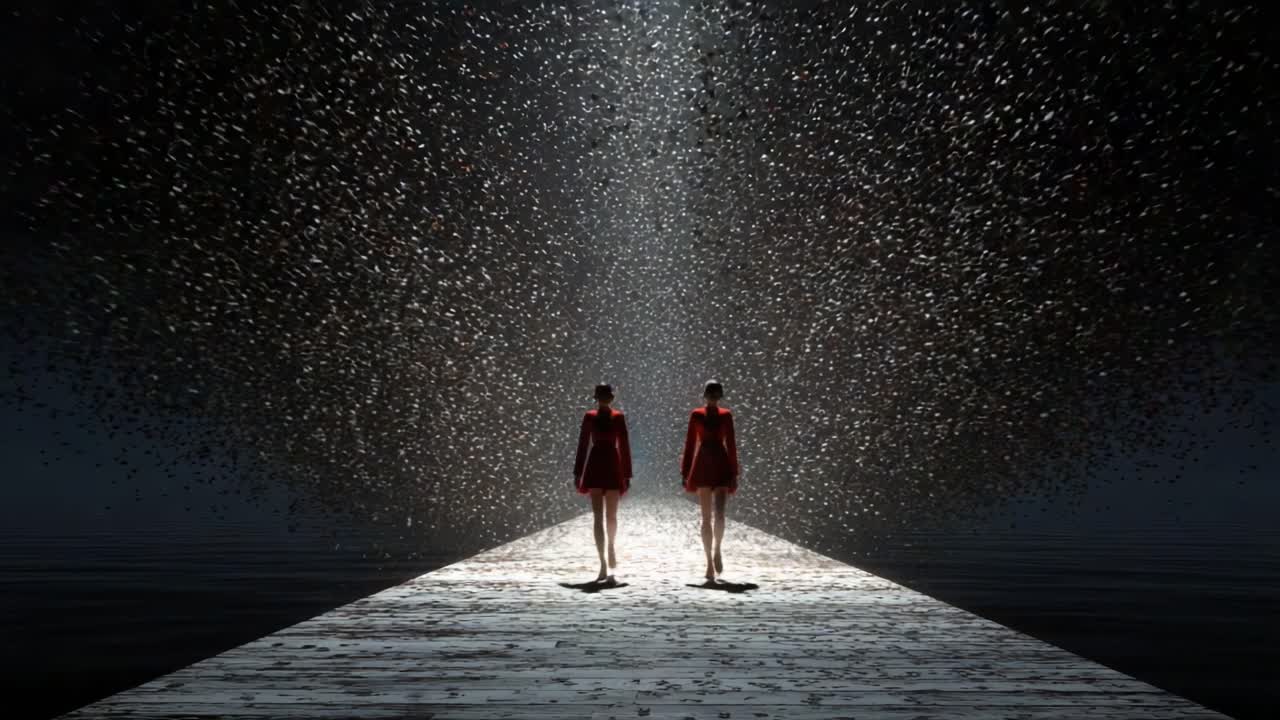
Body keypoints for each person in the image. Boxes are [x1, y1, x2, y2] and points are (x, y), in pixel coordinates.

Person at [680, 380, 740, 580]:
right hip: (704, 463)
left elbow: (731, 444)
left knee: (720, 514)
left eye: (716, 393)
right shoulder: (696, 415)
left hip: (720, 463)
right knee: (706, 517)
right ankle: (708, 561)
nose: (713, 397)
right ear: (706, 395)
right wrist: (685, 471)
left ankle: (717, 549)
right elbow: (690, 444)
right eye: (711, 393)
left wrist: (734, 472)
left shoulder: (726, 415)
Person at [573, 383, 632, 581]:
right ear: (598, 398)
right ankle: (602, 562)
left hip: (611, 464)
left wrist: (627, 473)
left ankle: (610, 546)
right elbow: (583, 443)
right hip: (597, 463)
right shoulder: (589, 417)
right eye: (603, 395)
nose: (606, 398)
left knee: (611, 517)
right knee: (599, 517)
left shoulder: (618, 417)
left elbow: (624, 445)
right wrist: (578, 471)